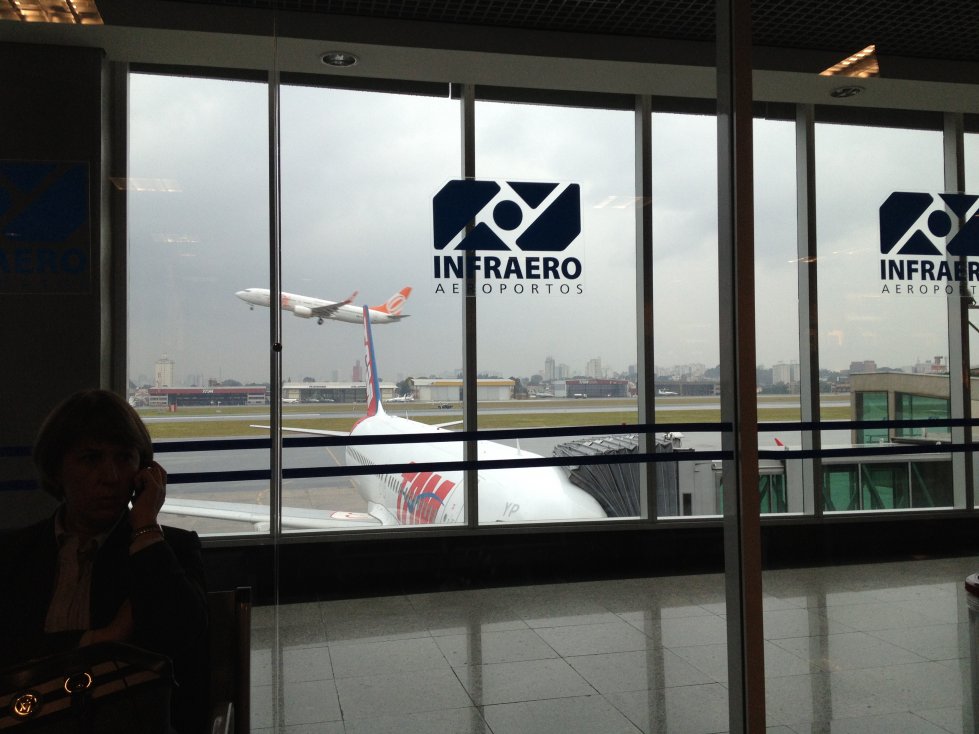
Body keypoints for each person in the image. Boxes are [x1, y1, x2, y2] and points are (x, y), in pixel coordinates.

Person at [0, 389, 208, 734]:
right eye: (91, 459)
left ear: (144, 472)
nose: (110, 476)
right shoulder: (12, 554)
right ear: (56, 469)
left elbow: (182, 642)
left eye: (124, 458)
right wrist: (97, 641)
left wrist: (146, 528)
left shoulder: (166, 551)